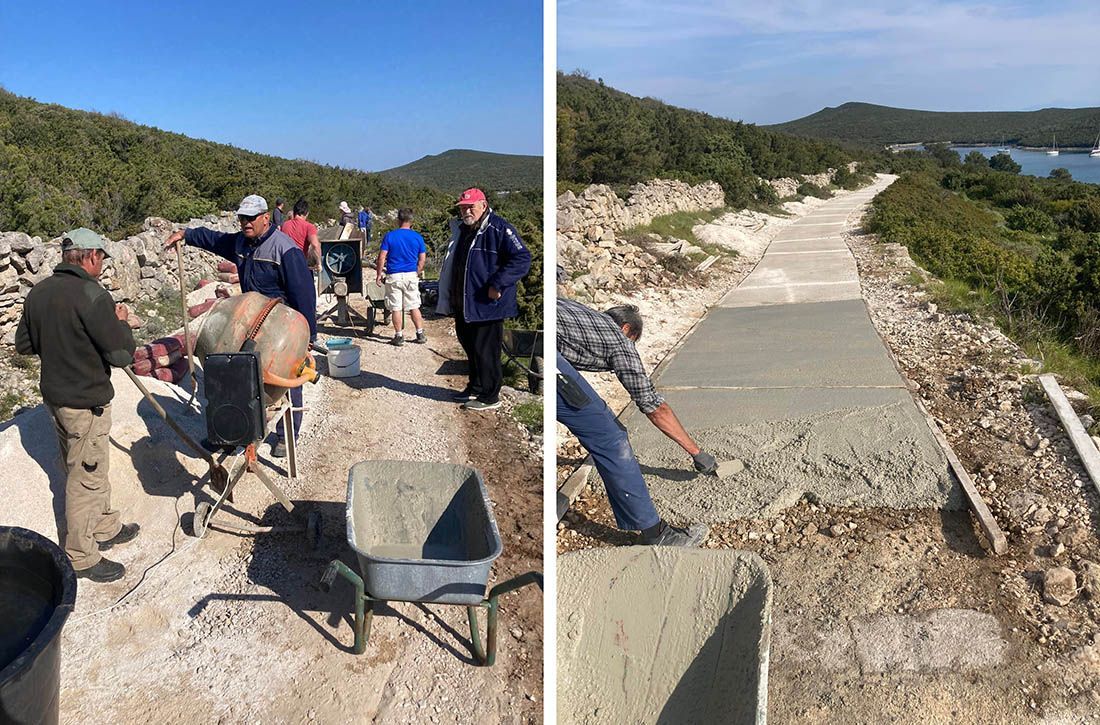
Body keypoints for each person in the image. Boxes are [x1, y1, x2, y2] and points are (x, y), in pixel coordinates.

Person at [15, 228, 140, 582]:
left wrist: (59, 343)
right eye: (101, 258)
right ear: (89, 257)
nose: (101, 265)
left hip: (55, 399)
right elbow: (120, 355)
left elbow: (24, 345)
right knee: (85, 476)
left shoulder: (38, 292)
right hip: (85, 401)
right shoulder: (92, 294)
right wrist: (122, 324)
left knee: (86, 468)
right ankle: (82, 555)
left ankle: (105, 525)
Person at [556, 297, 718, 547]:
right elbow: (654, 406)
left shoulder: (583, 314)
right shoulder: (619, 341)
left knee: (604, 425)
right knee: (611, 438)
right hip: (549, 358)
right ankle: (657, 534)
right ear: (626, 329)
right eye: (634, 342)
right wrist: (697, 453)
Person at [164, 194, 316, 458]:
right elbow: (213, 239)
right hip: (251, 320)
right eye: (242, 218)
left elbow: (304, 293)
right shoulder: (240, 243)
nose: (245, 223)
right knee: (237, 375)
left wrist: (309, 335)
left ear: (266, 218)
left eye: (250, 218)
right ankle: (231, 432)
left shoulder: (285, 250)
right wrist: (186, 234)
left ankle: (287, 434)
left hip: (283, 323)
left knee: (288, 375)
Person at [436, 188, 531, 411]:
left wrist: (498, 283)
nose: (466, 211)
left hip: (487, 305)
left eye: (471, 206)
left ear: (483, 205)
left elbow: (522, 258)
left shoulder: (500, 228)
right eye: (463, 207)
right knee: (470, 346)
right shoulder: (463, 230)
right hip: (464, 303)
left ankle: (490, 396)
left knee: (486, 350)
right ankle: (476, 386)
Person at [375, 208, 427, 346]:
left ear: (398, 220)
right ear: (411, 221)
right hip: (411, 275)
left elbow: (382, 257)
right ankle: (420, 333)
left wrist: (379, 274)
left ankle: (398, 336)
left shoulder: (390, 236)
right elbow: (422, 259)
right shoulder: (417, 237)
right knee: (414, 306)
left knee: (396, 307)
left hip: (394, 276)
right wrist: (416, 271)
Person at [282, 198, 321, 269]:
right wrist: (319, 263)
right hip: (299, 263)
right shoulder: (309, 226)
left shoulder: (284, 225)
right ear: (307, 213)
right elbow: (315, 245)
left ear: (294, 212)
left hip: (285, 263)